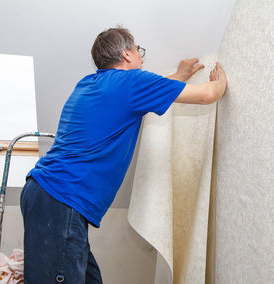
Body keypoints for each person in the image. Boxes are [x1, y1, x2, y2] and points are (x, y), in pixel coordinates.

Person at [20, 27, 227, 283]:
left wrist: (180, 75)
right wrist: (222, 81)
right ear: (127, 54)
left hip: (47, 194)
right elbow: (208, 95)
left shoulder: (89, 84)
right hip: (61, 198)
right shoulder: (132, 83)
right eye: (139, 51)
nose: (141, 57)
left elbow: (143, 94)